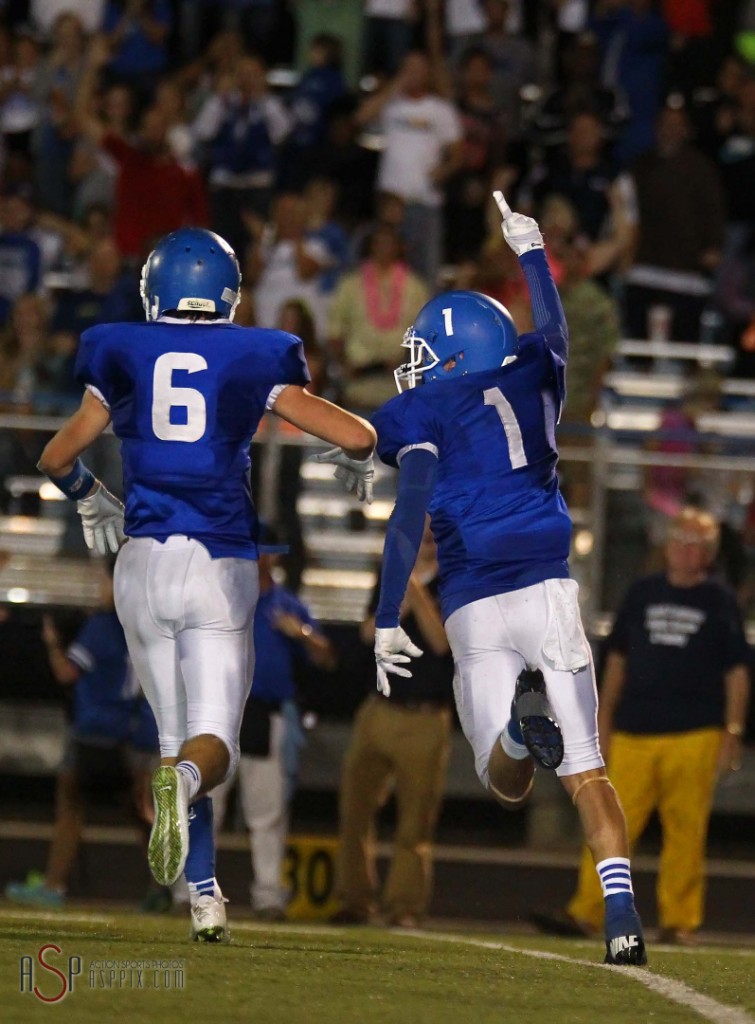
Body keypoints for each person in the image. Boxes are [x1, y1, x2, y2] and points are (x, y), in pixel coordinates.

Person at [332, 192, 648, 965]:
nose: (412, 367)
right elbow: (557, 328)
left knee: (504, 779)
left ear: (451, 358)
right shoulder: (539, 370)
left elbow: (406, 514)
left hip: (474, 602)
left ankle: (514, 729)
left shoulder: (427, 411)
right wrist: (532, 250)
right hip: (549, 591)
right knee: (588, 774)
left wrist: (382, 614)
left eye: (421, 354)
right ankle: (623, 920)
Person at [36, 226, 377, 943]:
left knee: (171, 738)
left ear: (153, 288)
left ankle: (205, 896)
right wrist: (361, 454)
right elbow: (353, 435)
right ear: (228, 290)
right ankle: (185, 801)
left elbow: (57, 454)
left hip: (139, 564)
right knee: (210, 745)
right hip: (217, 563)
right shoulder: (258, 351)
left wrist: (91, 494)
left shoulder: (117, 345)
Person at [533, 508, 750, 945]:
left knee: (686, 831)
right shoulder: (642, 592)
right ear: (667, 545)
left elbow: (737, 672)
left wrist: (732, 729)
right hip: (634, 729)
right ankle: (586, 911)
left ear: (707, 553)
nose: (685, 548)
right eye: (680, 538)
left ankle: (679, 920)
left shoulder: (720, 600)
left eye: (695, 542)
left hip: (695, 732)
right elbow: (617, 660)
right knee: (609, 821)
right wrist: (604, 717)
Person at [4, 559, 162, 910]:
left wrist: (51, 643)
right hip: (134, 734)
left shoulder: (102, 626)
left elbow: (66, 673)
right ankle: (163, 890)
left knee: (70, 807)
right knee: (141, 814)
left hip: (95, 731)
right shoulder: (145, 627)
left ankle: (53, 885)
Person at [333, 520, 453, 927]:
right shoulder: (390, 578)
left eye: (432, 537)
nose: (427, 544)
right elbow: (368, 635)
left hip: (424, 717)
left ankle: (403, 906)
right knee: (354, 811)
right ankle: (354, 899)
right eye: (421, 536)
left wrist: (416, 594)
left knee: (414, 822)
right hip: (379, 708)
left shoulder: (454, 581)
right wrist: (395, 604)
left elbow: (442, 644)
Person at [211, 529, 337, 920]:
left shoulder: (286, 605)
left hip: (264, 713)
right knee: (206, 804)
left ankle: (268, 896)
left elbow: (327, 658)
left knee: (265, 811)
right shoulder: (220, 599)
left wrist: (298, 633)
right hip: (220, 710)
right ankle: (194, 891)